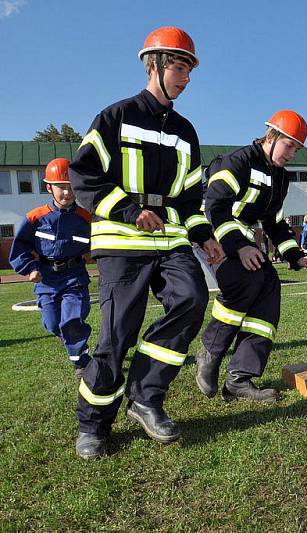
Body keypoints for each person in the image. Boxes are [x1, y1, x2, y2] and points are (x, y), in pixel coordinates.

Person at [69, 27, 224, 459]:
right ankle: (93, 425)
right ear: (153, 65)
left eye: (189, 70)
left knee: (192, 300)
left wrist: (204, 235)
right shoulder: (114, 117)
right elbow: (84, 177)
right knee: (116, 335)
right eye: (179, 67)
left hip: (171, 239)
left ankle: (145, 396)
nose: (186, 78)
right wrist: (129, 210)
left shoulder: (185, 131)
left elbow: (191, 197)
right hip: (121, 241)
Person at [196, 110, 307, 402]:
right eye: (289, 145)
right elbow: (215, 207)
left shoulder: (281, 178)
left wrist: (296, 255)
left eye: (297, 149)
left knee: (268, 287)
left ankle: (240, 377)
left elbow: (273, 223)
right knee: (245, 280)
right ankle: (210, 353)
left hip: (242, 240)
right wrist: (239, 245)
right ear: (271, 136)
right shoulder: (236, 162)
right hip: (210, 235)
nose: (292, 154)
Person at [9, 158, 92, 378]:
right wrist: (29, 268)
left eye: (71, 187)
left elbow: (100, 241)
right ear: (49, 187)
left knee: (72, 319)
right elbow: (21, 247)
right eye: (61, 187)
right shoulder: (35, 217)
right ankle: (67, 337)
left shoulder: (86, 218)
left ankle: (81, 363)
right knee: (52, 323)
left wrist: (95, 252)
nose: (67, 193)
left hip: (74, 277)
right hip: (46, 279)